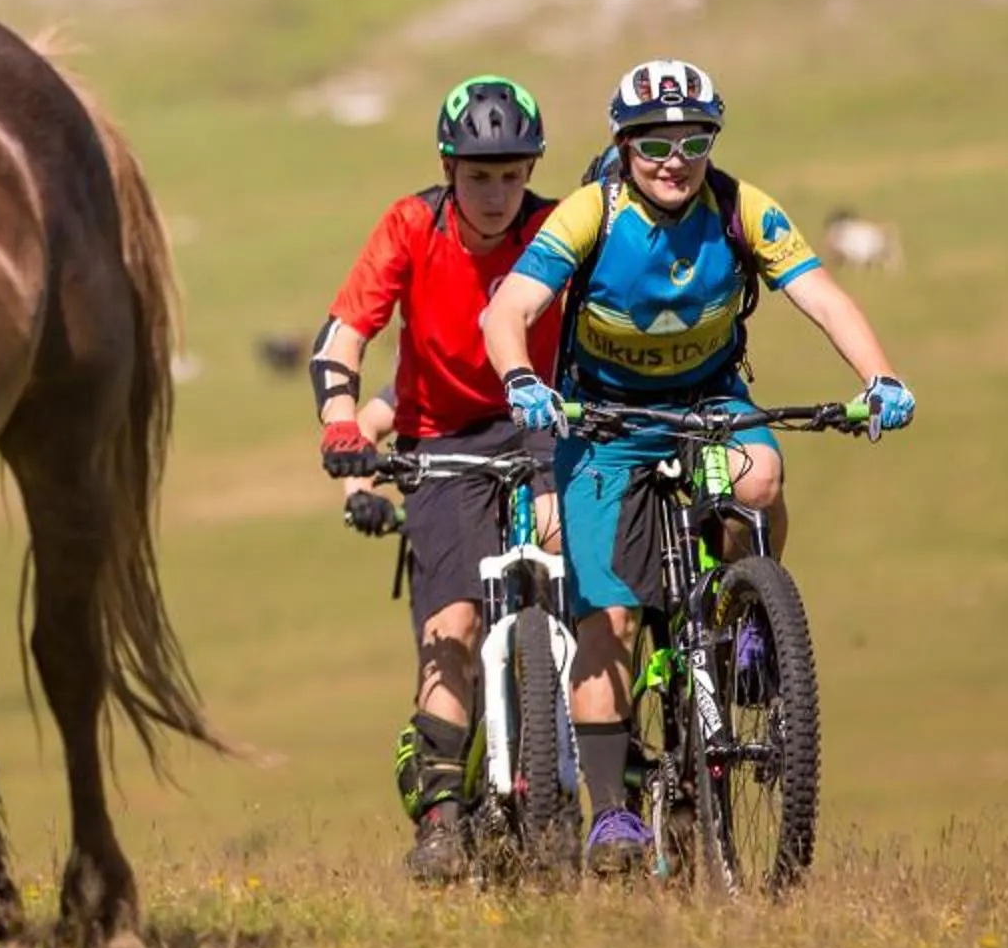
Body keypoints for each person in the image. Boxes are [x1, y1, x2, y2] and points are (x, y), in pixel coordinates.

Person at [477, 59, 913, 876]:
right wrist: (523, 382)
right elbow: (509, 309)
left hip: (709, 400)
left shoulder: (742, 208)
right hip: (603, 418)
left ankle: (747, 621)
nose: (673, 159)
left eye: (693, 140)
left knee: (758, 477)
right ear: (623, 145)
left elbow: (823, 295)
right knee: (606, 618)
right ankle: (611, 812)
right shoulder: (589, 213)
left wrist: (879, 378)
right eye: (652, 144)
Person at [311, 76, 570, 883]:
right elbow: (344, 333)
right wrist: (341, 424)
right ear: (448, 168)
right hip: (441, 441)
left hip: (544, 428)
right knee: (452, 627)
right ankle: (439, 820)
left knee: (589, 592)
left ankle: (613, 776)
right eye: (479, 175)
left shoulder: (557, 229)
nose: (496, 194)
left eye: (512, 174)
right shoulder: (411, 225)